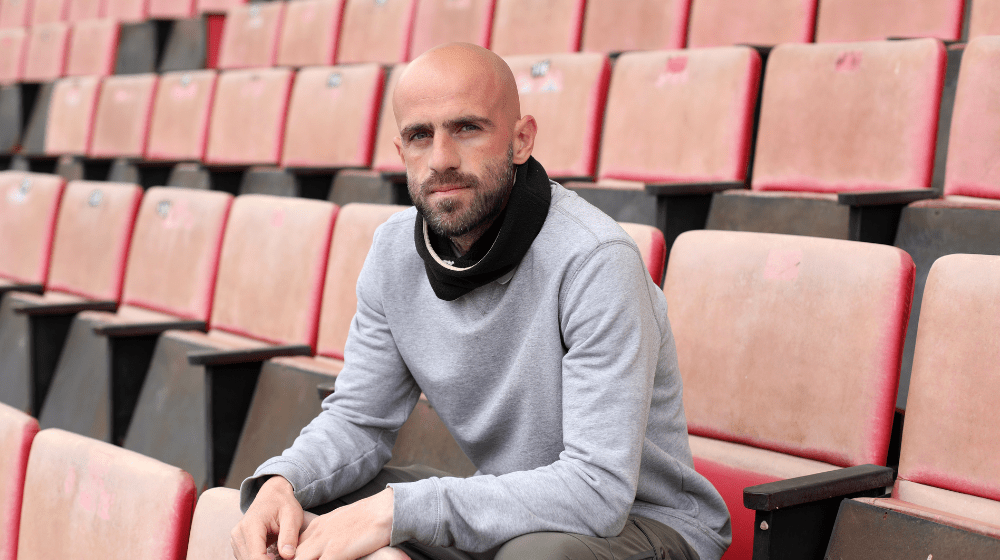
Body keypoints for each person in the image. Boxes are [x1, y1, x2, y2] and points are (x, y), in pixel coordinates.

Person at [231, 43, 731, 560]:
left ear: (521, 140)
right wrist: (282, 483)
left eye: (467, 128)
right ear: (400, 152)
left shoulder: (596, 261)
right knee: (309, 508)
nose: (442, 160)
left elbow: (597, 490)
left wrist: (398, 512)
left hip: (644, 524)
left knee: (531, 555)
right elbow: (359, 419)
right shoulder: (393, 253)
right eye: (420, 136)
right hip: (517, 511)